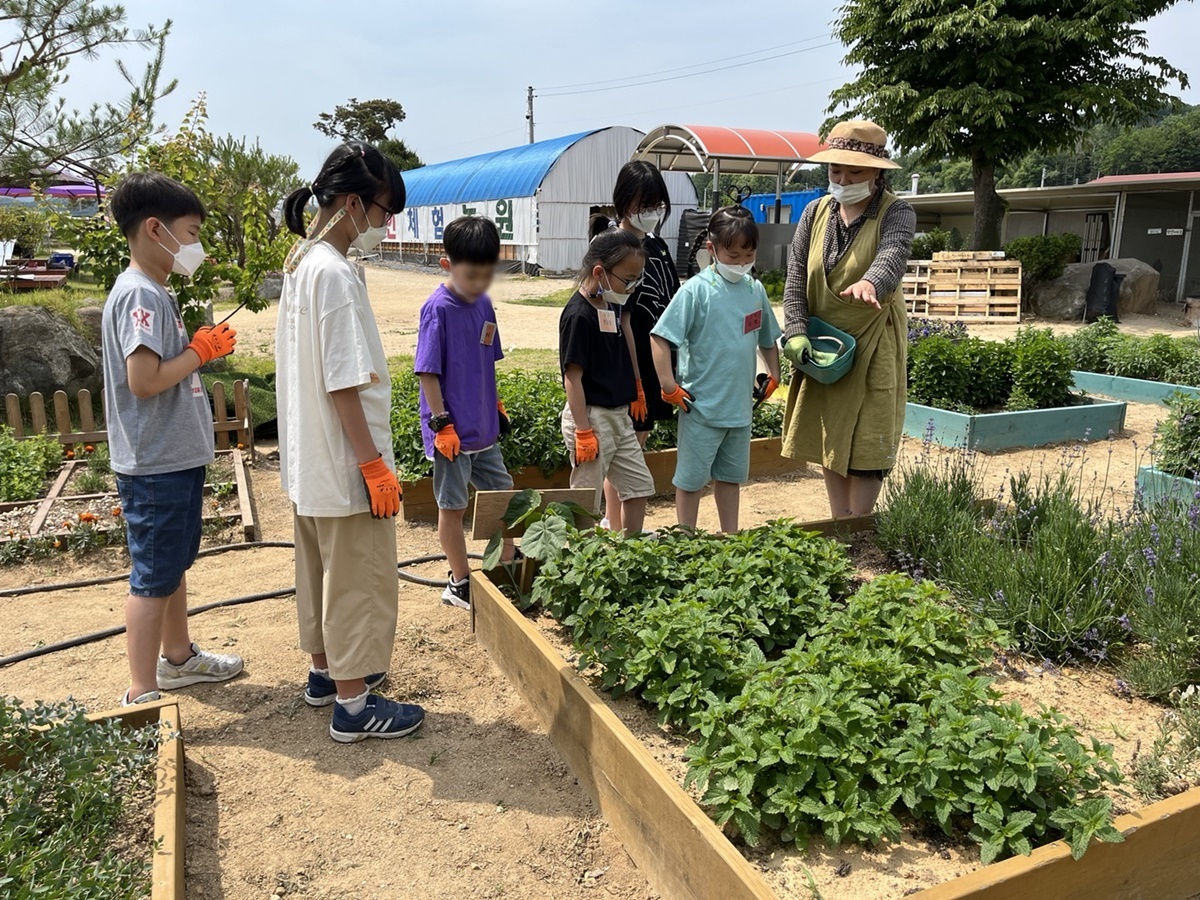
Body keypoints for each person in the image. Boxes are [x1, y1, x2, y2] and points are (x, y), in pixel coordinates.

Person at [276, 143, 424, 743]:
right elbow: (344, 380)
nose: (384, 225)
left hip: (309, 458)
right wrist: (372, 464)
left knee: (318, 572)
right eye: (385, 212)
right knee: (356, 580)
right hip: (343, 460)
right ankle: (355, 705)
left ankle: (324, 674)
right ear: (355, 203)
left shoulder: (301, 259)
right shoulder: (334, 272)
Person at [101, 172, 244, 706]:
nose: (195, 246)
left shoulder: (155, 290)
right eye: (192, 232)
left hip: (171, 458)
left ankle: (178, 658)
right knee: (153, 576)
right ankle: (141, 692)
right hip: (155, 463)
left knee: (171, 566)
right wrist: (201, 352)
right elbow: (144, 380)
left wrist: (198, 350)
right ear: (155, 229)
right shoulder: (140, 293)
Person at [781, 120, 916, 518]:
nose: (842, 180)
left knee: (868, 437)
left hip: (873, 339)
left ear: (876, 172)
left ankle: (859, 523)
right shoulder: (815, 212)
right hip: (825, 346)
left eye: (854, 172)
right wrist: (795, 330)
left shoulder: (897, 212)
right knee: (830, 433)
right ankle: (840, 521)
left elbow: (893, 254)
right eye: (835, 170)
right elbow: (795, 276)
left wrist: (871, 282)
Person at [651, 206, 782, 532]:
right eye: (733, 255)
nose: (741, 263)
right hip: (700, 408)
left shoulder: (754, 290)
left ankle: (731, 538)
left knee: (730, 478)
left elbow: (767, 338)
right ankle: (686, 540)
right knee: (691, 481)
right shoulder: (696, 290)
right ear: (712, 249)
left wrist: (774, 374)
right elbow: (660, 337)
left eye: (749, 255)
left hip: (739, 410)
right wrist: (669, 386)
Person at [415, 216, 518, 611]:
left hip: (484, 428)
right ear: (447, 265)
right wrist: (442, 424)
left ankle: (507, 561)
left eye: (487, 275)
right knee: (453, 507)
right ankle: (459, 581)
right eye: (471, 275)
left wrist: (496, 404)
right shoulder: (437, 309)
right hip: (452, 434)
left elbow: (487, 361)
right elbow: (428, 373)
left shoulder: (485, 304)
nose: (479, 283)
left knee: (502, 495)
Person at [559, 224, 656, 535]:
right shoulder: (578, 314)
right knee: (585, 500)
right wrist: (583, 430)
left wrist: (637, 387)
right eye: (628, 280)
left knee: (639, 487)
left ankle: (631, 548)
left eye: (637, 279)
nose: (632, 287)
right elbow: (572, 378)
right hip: (591, 417)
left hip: (618, 416)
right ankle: (582, 555)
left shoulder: (611, 305)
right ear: (600, 272)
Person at [601, 161, 680, 532]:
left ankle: (619, 522)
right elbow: (621, 318)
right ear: (623, 202)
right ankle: (613, 522)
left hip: (654, 358)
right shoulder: (613, 247)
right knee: (625, 446)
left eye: (655, 204)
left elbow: (672, 301)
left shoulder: (657, 246)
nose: (650, 212)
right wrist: (634, 380)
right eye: (642, 204)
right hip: (627, 360)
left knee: (638, 440)